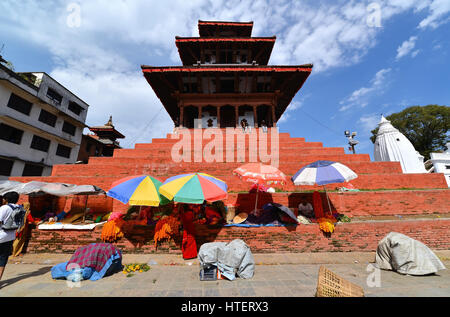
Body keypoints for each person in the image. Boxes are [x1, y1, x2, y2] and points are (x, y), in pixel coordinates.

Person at [0, 191, 21, 282]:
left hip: (1, 235)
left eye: (3, 199)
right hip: (10, 236)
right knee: (3, 259)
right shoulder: (19, 207)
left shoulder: (4, 208)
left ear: (6, 199)